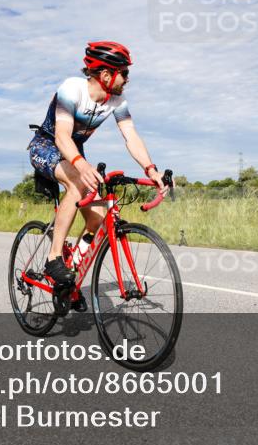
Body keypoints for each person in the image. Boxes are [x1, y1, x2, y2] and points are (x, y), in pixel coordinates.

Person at [27, 41, 166, 292]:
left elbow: (131, 136)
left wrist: (151, 170)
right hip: (47, 146)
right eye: (124, 73)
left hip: (73, 153)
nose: (127, 79)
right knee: (78, 182)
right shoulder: (72, 89)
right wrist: (81, 165)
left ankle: (71, 274)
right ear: (105, 74)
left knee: (99, 218)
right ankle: (53, 257)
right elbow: (62, 137)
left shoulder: (116, 100)